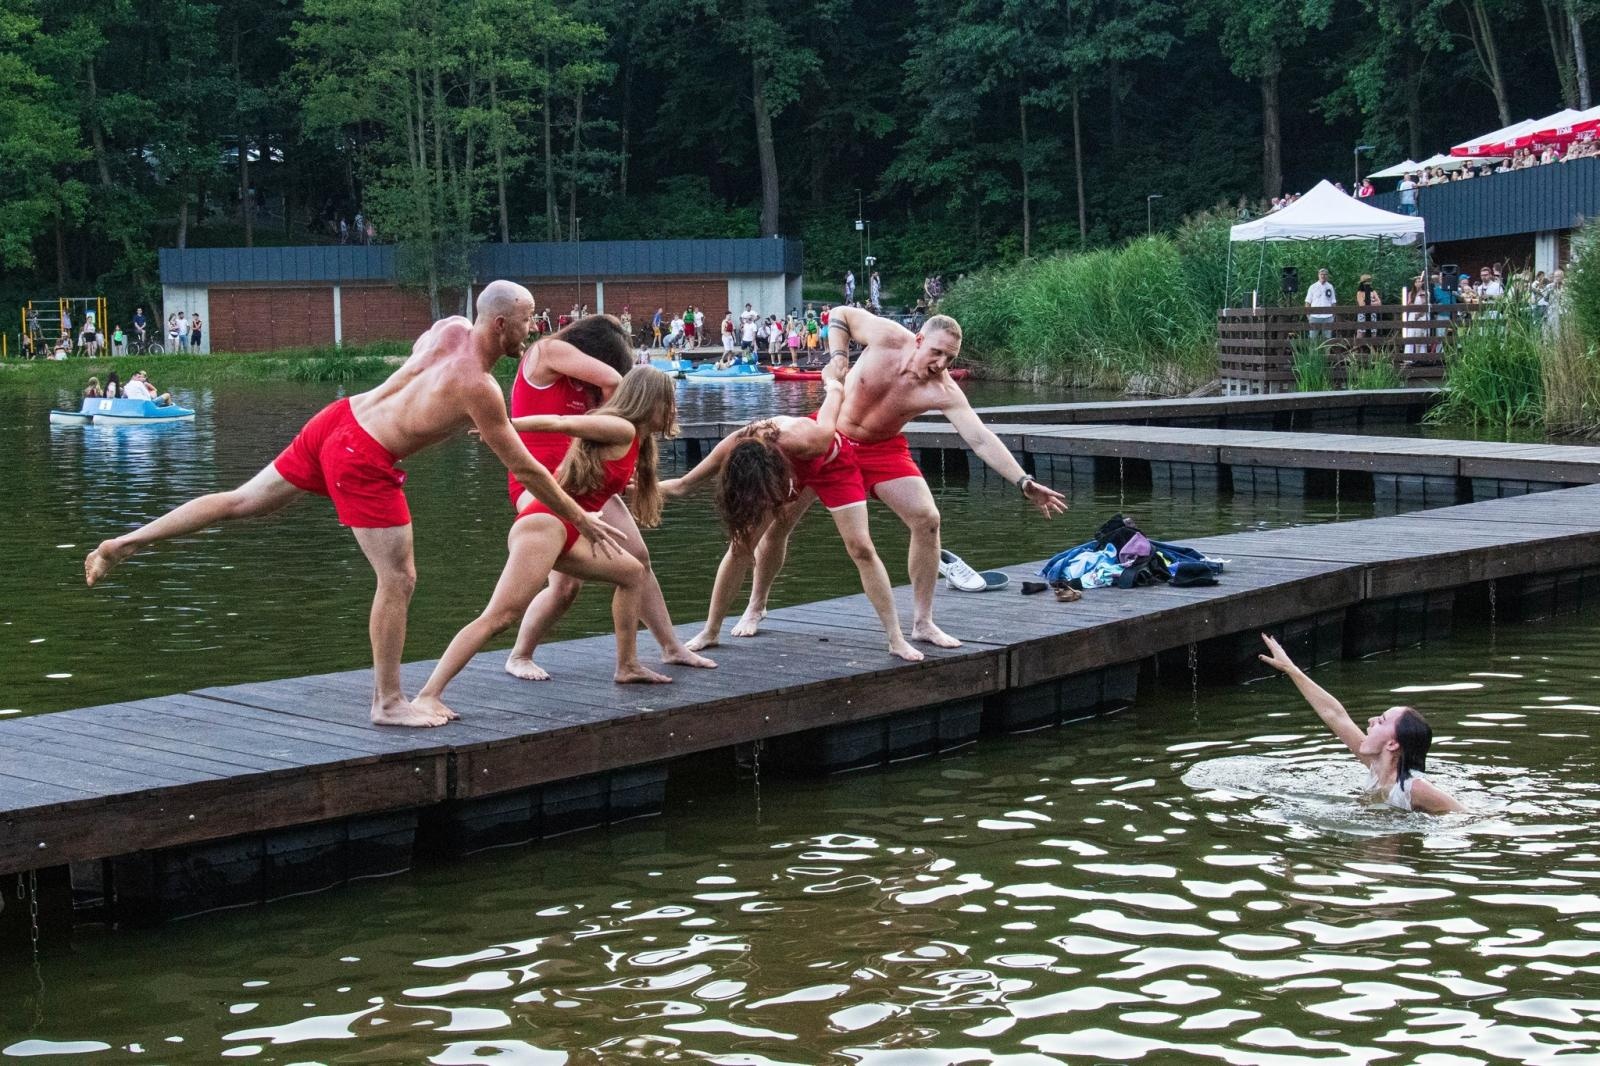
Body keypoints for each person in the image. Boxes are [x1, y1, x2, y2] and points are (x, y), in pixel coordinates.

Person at [83, 281, 625, 728]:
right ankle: (388, 702)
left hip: (339, 418)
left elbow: (420, 376)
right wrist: (578, 515)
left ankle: (125, 542)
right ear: (501, 324)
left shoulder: (449, 328)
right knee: (399, 579)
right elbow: (527, 470)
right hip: (363, 457)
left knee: (241, 500)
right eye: (528, 321)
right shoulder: (480, 388)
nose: (534, 329)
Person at [733, 309, 1068, 648]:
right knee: (779, 522)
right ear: (919, 340)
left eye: (950, 359)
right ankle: (756, 605)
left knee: (927, 519)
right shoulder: (887, 336)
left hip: (881, 450)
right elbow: (841, 315)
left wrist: (1023, 481)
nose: (941, 363)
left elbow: (980, 439)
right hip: (829, 436)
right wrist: (838, 356)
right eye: (936, 352)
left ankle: (923, 622)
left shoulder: (943, 389)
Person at [412, 368, 683, 721]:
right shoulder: (622, 428)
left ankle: (627, 665)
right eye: (669, 402)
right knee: (500, 616)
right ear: (651, 401)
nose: (673, 410)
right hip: (544, 524)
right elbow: (560, 422)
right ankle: (428, 695)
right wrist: (505, 426)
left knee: (632, 573)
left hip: (567, 527)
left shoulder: (637, 442)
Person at [665, 365, 922, 662]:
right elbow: (682, 486)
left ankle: (895, 639)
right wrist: (633, 489)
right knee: (741, 546)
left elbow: (834, 399)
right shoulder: (734, 446)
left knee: (861, 548)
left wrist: (832, 381)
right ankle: (713, 629)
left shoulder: (810, 437)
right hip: (780, 471)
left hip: (834, 464)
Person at [1256, 634, 1462, 813]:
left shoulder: (1415, 788)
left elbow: (1465, 815)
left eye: (1381, 721)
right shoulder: (1377, 766)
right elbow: (1335, 715)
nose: (1371, 720)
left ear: (1392, 744)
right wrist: (1290, 669)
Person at [1305, 268, 1336, 340]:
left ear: (1327, 276)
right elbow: (1308, 302)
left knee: (1327, 338)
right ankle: (1313, 348)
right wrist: (1308, 315)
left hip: (1328, 317)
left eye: (1325, 274)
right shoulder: (1313, 287)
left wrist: (1333, 315)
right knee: (1313, 338)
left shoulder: (1330, 286)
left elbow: (1333, 302)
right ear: (1318, 275)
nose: (1323, 276)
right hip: (1314, 316)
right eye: (1321, 274)